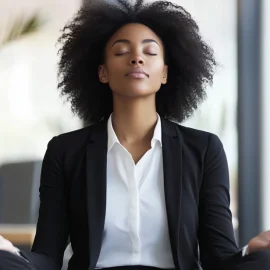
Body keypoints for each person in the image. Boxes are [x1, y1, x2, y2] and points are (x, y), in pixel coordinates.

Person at [0, 0, 269, 269]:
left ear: (164, 73)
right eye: (121, 52)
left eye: (150, 51)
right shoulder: (66, 151)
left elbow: (219, 257)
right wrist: (10, 254)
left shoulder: (204, 149)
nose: (137, 57)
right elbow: (47, 256)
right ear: (102, 73)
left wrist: (251, 253)